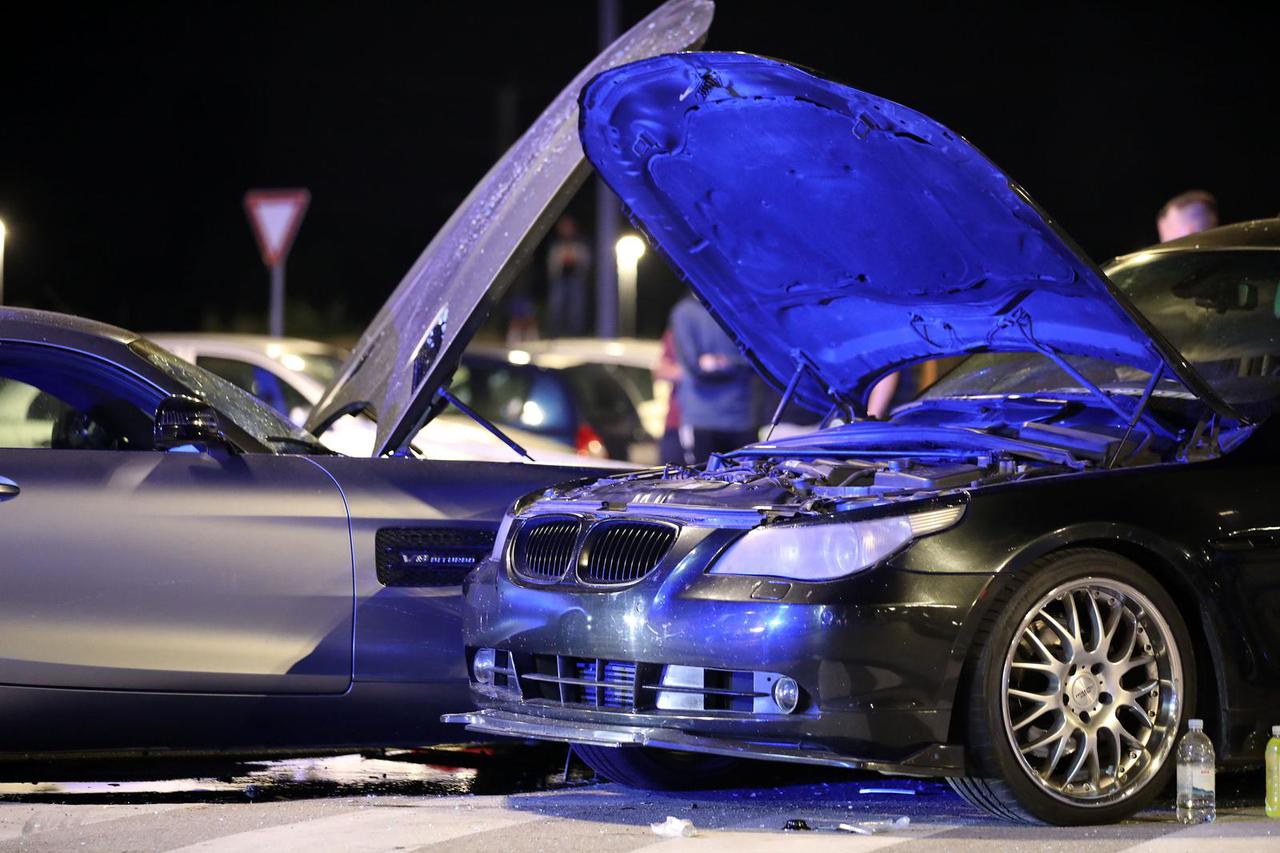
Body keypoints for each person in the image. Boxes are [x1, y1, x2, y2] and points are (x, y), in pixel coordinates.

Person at [668, 295, 759, 462]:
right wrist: (731, 365)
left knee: (748, 482)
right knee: (702, 482)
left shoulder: (738, 308)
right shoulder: (685, 311)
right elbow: (694, 366)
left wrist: (720, 363)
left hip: (741, 418)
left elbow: (755, 360)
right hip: (702, 420)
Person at [545, 216, 591, 338]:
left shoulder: (580, 242)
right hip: (560, 279)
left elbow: (586, 260)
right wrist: (561, 261)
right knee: (556, 307)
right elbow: (551, 263)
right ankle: (554, 334)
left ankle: (575, 334)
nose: (566, 229)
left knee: (576, 309)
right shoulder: (556, 243)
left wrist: (575, 259)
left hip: (575, 279)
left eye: (568, 226)